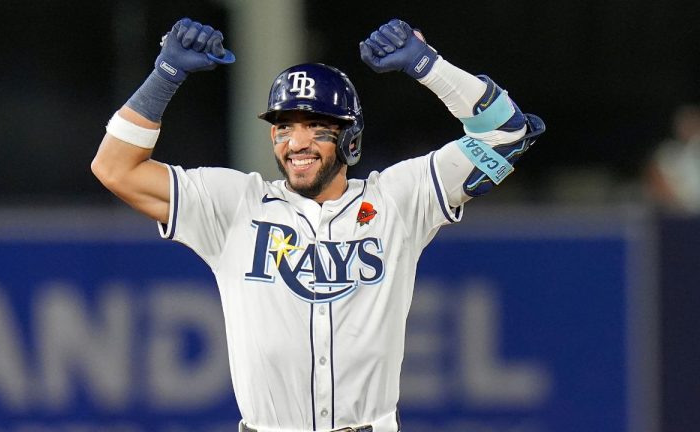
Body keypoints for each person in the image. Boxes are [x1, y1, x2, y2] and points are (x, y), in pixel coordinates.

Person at [92, 17, 545, 432]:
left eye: (316, 125)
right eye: (284, 126)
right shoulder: (235, 205)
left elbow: (508, 135)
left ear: (350, 135)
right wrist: (164, 75)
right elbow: (115, 168)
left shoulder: (398, 200)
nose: (298, 141)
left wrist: (430, 66)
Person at [644, 103, 700, 214]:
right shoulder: (668, 152)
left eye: (694, 123)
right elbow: (656, 181)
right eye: (686, 124)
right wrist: (678, 204)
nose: (690, 128)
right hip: (679, 214)